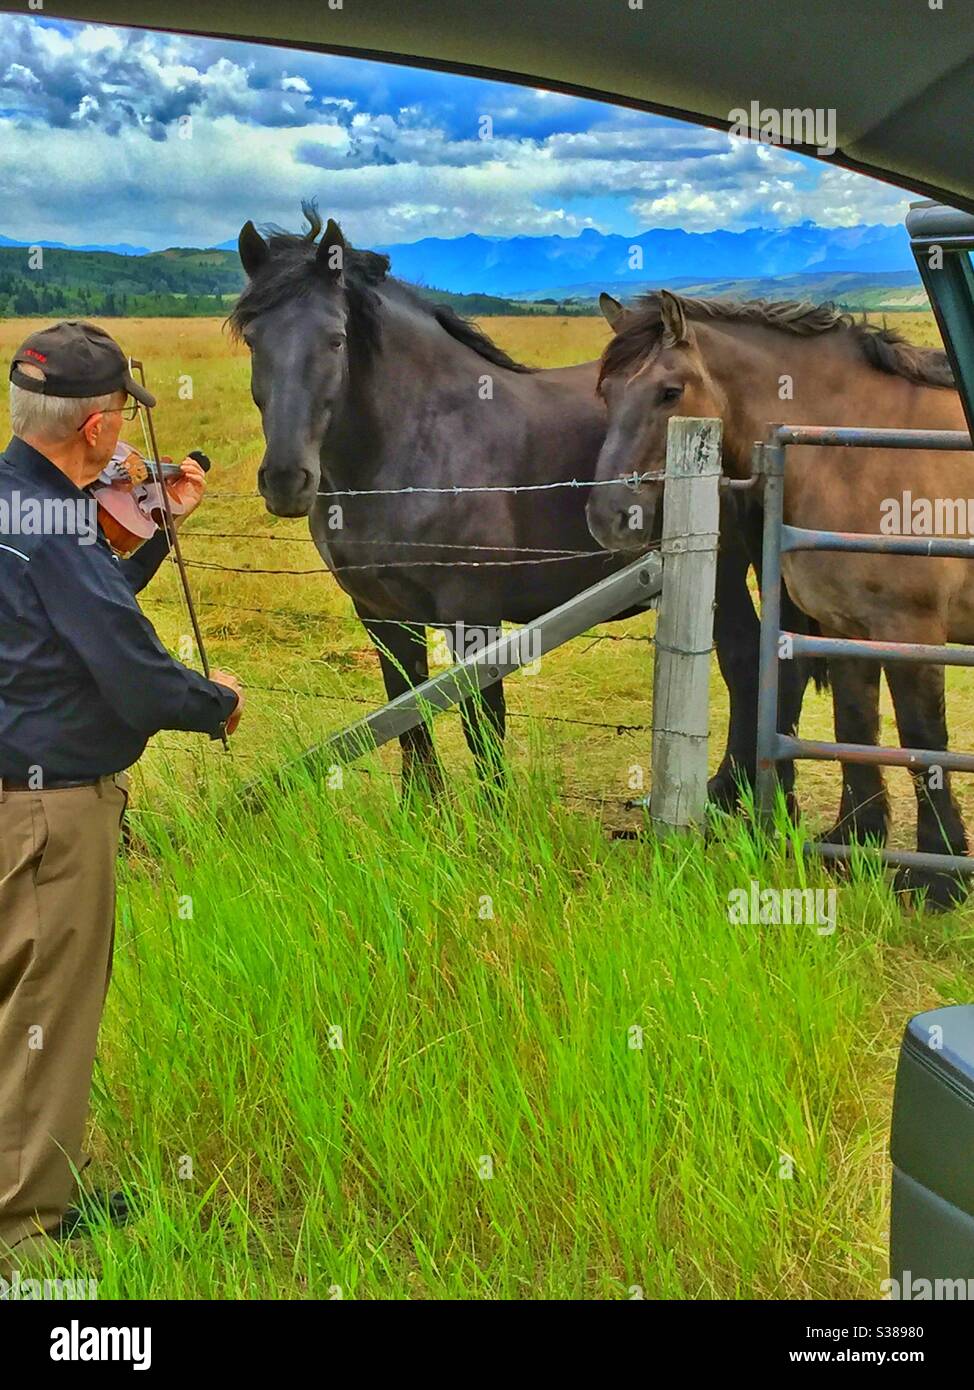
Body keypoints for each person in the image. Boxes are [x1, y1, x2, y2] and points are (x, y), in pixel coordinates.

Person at [0, 321, 244, 1275]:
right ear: (98, 430)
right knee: (47, 1012)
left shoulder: (22, 501)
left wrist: (156, 531)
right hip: (49, 809)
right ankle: (24, 1233)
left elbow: (77, 607)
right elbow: (129, 670)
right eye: (121, 424)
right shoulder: (49, 525)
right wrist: (212, 701)